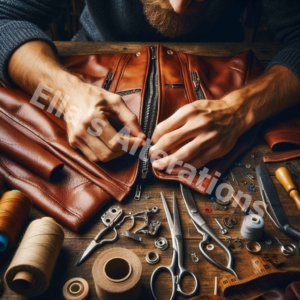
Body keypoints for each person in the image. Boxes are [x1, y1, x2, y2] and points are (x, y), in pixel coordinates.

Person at [0, 0, 299, 171]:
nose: (179, 6)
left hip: (227, 77)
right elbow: (6, 17)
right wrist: (65, 94)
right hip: (89, 62)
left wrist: (242, 109)